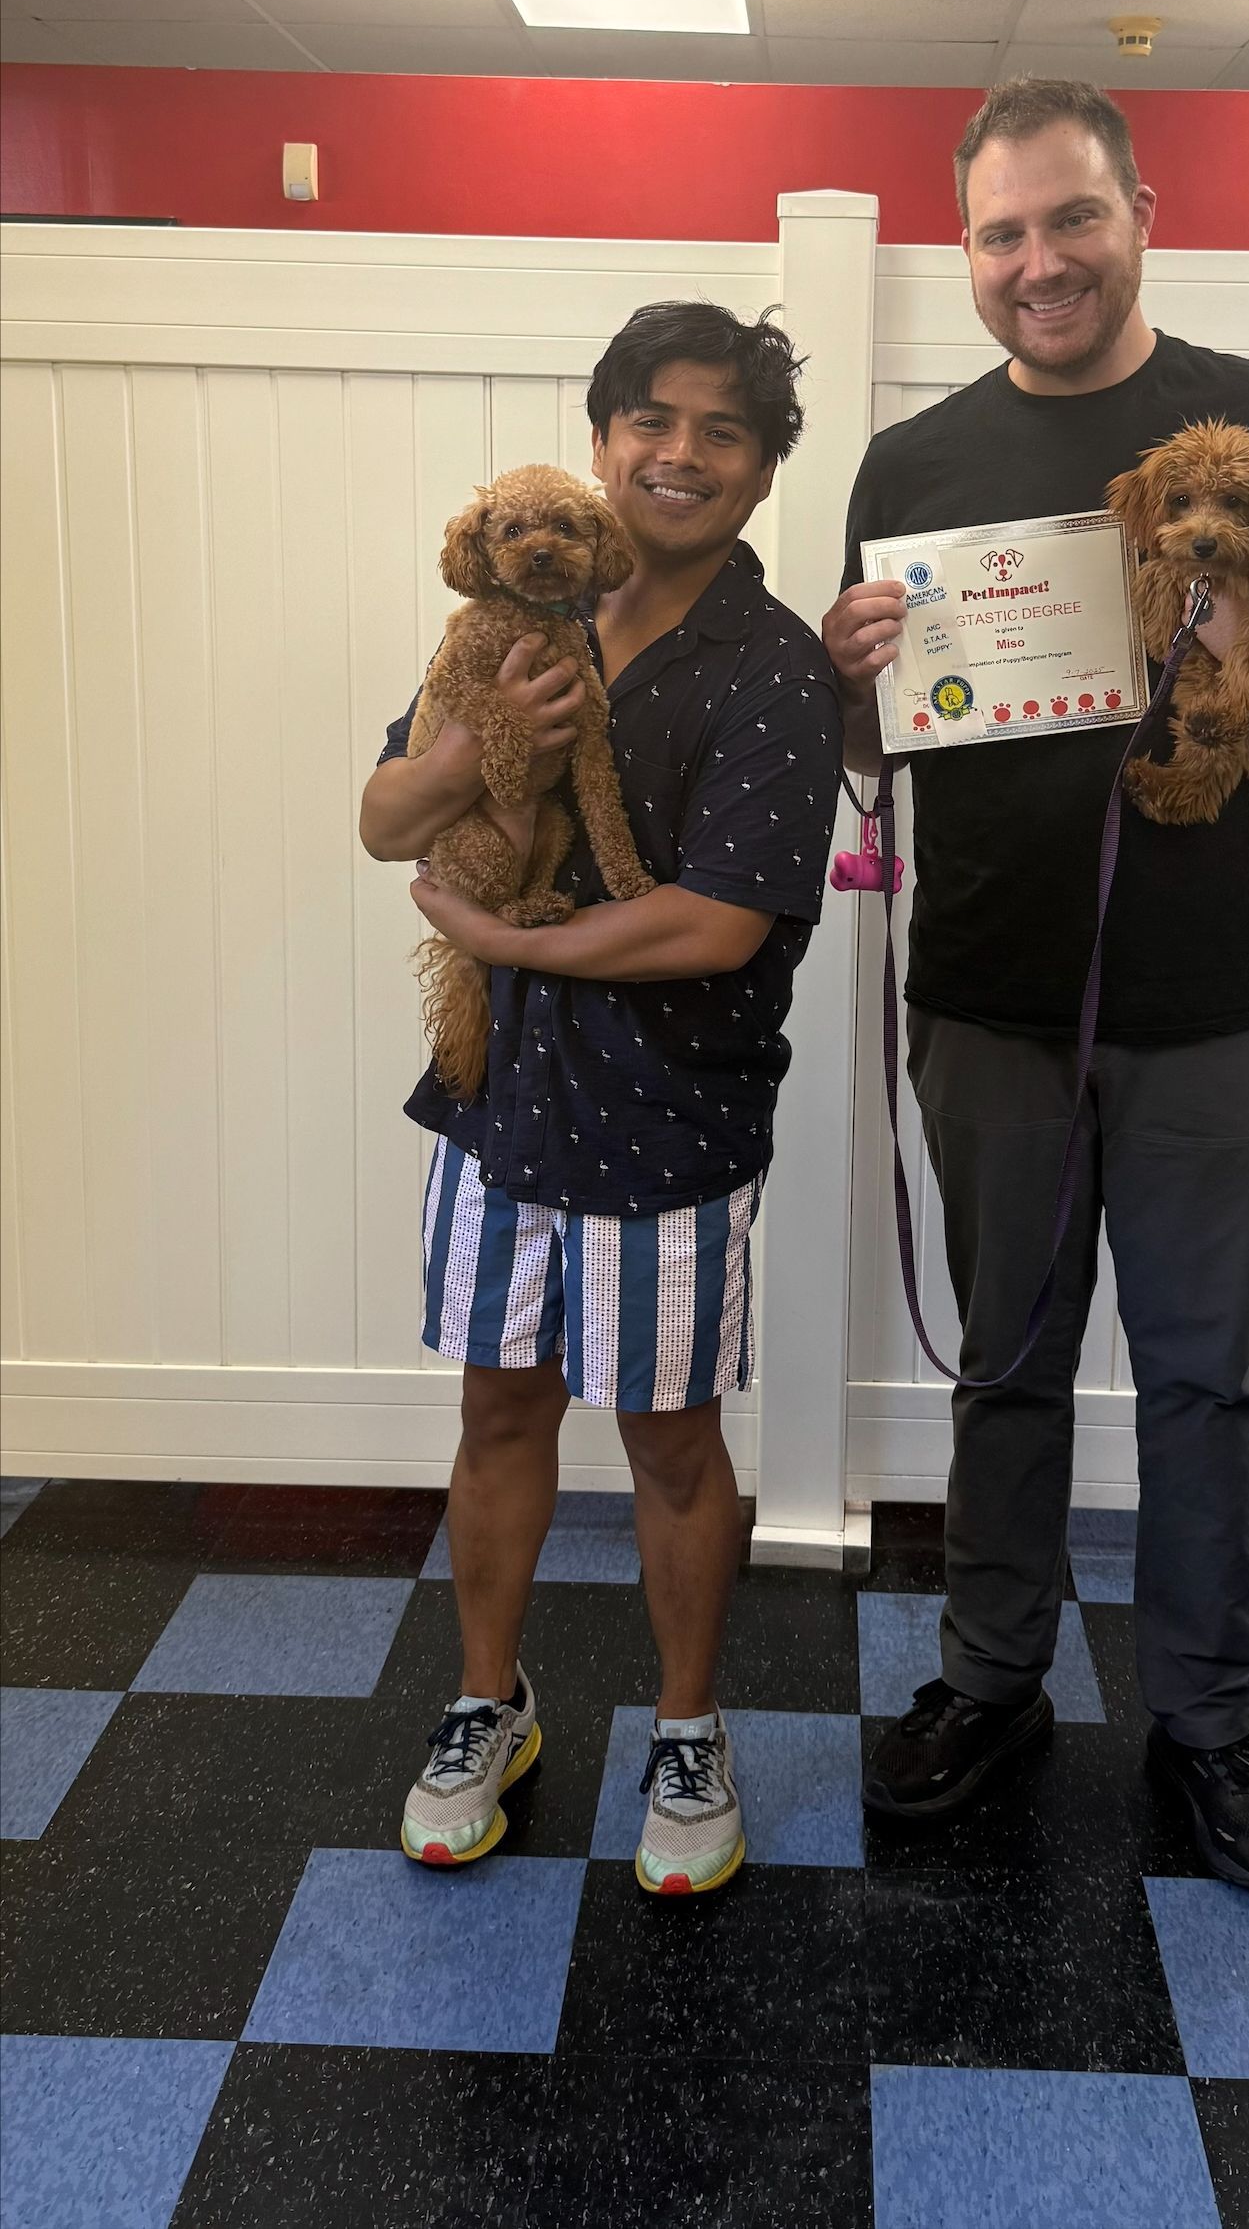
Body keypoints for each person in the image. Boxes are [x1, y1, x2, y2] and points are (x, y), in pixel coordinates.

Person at [823, 79, 1249, 1895]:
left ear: (1141, 214)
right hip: (987, 1004)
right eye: (1004, 234)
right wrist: (847, 676)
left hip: (1227, 1006)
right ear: (967, 253)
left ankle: (1208, 1726)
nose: (1041, 264)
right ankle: (990, 1684)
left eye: (1071, 221)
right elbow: (875, 734)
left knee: (1202, 1387)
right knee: (1004, 1379)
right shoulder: (914, 464)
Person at [360, 302, 841, 1892]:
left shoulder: (775, 670)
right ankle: (487, 1704)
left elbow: (720, 917)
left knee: (670, 1441)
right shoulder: (508, 615)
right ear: (600, 443)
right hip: (497, 1105)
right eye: (650, 418)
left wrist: (501, 935)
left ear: (763, 470)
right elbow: (383, 815)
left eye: (720, 428)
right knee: (499, 1410)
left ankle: (689, 1732)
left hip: (670, 1123)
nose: (678, 451)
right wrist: (482, 747)